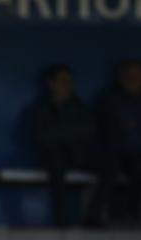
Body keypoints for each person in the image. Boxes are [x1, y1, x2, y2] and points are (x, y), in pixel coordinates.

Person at [31, 65, 97, 227]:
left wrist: (62, 135)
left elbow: (88, 132)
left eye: (69, 82)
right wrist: (66, 135)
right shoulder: (41, 108)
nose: (67, 85)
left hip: (79, 155)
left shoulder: (80, 107)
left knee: (110, 165)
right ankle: (60, 222)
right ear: (50, 83)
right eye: (62, 81)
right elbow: (43, 137)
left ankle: (94, 217)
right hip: (54, 158)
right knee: (56, 162)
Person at [96, 59, 141, 225]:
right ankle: (98, 216)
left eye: (137, 75)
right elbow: (109, 131)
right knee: (111, 168)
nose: (133, 79)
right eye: (129, 75)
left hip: (136, 154)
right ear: (120, 77)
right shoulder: (111, 99)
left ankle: (133, 214)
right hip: (114, 152)